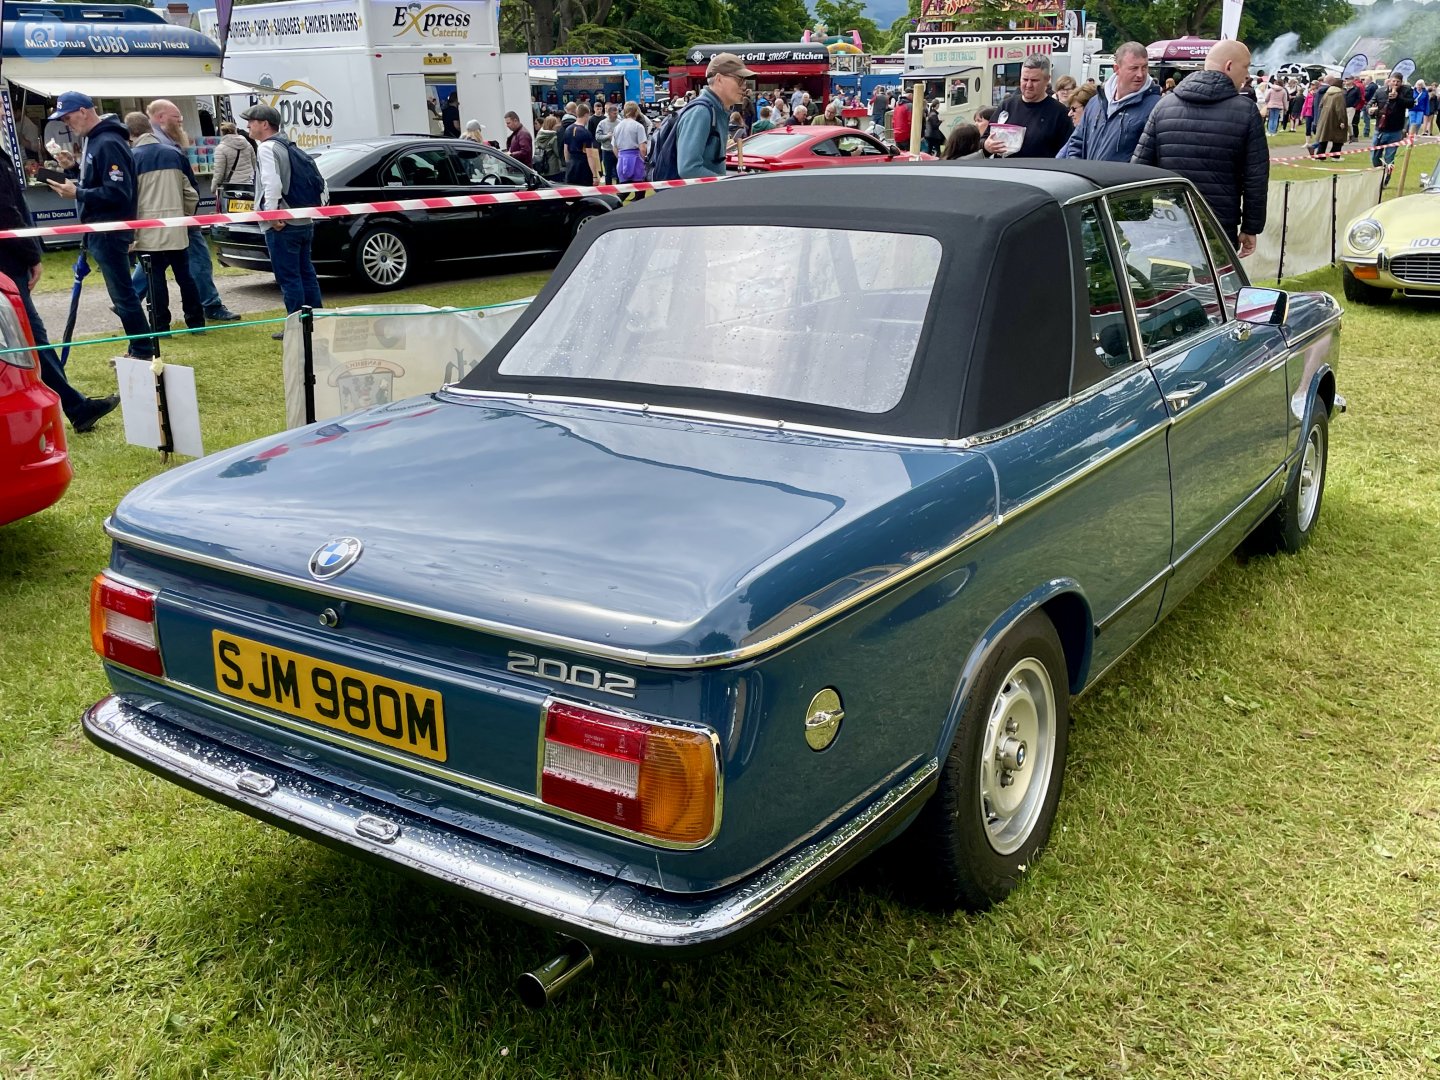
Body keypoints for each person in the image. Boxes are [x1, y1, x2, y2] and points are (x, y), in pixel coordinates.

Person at [0, 145, 118, 432]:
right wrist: (32, 255)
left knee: (27, 338)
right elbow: (7, 213)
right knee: (29, 337)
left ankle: (75, 405)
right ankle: (75, 406)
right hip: (7, 261)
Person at [43, 92, 157, 360]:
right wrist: (72, 170)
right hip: (100, 228)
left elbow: (119, 192)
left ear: (84, 111)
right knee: (122, 294)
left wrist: (78, 194)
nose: (67, 124)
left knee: (123, 296)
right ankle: (140, 349)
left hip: (109, 229)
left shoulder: (106, 142)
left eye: (68, 117)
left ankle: (142, 351)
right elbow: (98, 184)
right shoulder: (95, 140)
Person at [1132, 39, 1267, 258]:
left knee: (1167, 287)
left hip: (1167, 221)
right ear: (1229, 66)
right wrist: (1251, 227)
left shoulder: (1164, 105)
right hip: (1218, 224)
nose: (1248, 75)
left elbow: (1139, 168)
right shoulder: (1247, 111)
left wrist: (1136, 217)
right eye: (1246, 67)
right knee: (1215, 286)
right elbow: (1256, 178)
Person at [145, 99, 241, 323]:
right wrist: (188, 211)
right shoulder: (165, 147)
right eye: (176, 117)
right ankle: (210, 306)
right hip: (178, 213)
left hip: (170, 214)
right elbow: (185, 185)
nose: (181, 121)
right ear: (160, 118)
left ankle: (128, 299)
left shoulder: (162, 143)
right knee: (195, 260)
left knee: (155, 261)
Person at [241, 103, 323, 339]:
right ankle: (316, 320)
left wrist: (271, 213)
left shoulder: (267, 148)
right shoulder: (288, 145)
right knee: (306, 272)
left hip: (283, 223)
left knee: (289, 277)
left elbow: (272, 183)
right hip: (303, 219)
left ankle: (296, 327)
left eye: (251, 121)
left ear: (264, 124)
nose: (247, 125)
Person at [131, 120, 206, 339]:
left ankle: (160, 327)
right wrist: (184, 216)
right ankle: (196, 323)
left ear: (131, 134)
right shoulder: (175, 154)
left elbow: (129, 198)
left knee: (155, 281)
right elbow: (191, 193)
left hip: (147, 232)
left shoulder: (132, 158)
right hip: (176, 229)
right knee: (186, 278)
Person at [1057, 41, 1161, 162]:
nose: (1140, 74)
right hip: (1089, 179)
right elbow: (1076, 143)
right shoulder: (1096, 102)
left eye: (1144, 67)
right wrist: (1080, 173)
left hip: (1126, 180)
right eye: (1134, 68)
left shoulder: (1156, 107)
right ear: (1116, 69)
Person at [676, 52, 753, 178]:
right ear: (719, 79)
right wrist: (727, 182)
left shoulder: (716, 110)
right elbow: (688, 169)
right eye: (739, 79)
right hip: (695, 196)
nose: (744, 86)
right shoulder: (701, 112)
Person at [986, 55, 1073, 158]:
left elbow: (1068, 153)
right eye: (1025, 79)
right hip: (1004, 171)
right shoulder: (1007, 106)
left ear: (1047, 80)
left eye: (1034, 80)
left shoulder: (1060, 113)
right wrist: (987, 146)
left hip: (1040, 172)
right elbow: (984, 139)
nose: (1028, 85)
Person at [1373, 73, 1414, 180]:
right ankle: (1379, 173)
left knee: (1389, 157)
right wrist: (1370, 109)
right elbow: (1371, 102)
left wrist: (1398, 97)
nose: (1395, 84)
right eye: (1393, 81)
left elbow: (1411, 103)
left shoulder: (1406, 91)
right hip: (1380, 128)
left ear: (1401, 82)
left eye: (1398, 82)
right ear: (1389, 81)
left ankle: (1385, 179)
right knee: (1374, 156)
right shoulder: (1380, 91)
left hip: (1395, 130)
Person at [561, 103, 599, 185]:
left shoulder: (568, 129)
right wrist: (595, 176)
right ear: (586, 115)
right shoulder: (586, 133)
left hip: (571, 165)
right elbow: (590, 156)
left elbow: (565, 150)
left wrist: (568, 163)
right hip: (583, 166)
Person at [1311, 76, 1349, 159]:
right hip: (1335, 119)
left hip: (1324, 117)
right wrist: (1342, 121)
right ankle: (1335, 155)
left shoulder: (1327, 93)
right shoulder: (1339, 95)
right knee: (1339, 137)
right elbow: (1340, 109)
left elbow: (1320, 105)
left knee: (1324, 137)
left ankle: (1320, 155)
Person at [212, 121, 256, 188]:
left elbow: (219, 172)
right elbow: (254, 163)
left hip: (232, 185)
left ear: (222, 132)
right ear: (235, 130)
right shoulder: (247, 144)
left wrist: (214, 187)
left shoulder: (220, 148)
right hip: (249, 183)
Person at [612, 102, 648, 183]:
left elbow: (614, 148)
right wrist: (644, 159)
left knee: (624, 190)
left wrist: (620, 157)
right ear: (636, 112)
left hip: (622, 160)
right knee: (640, 191)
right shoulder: (639, 126)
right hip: (636, 160)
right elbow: (642, 148)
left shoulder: (617, 127)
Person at [595, 103, 620, 184]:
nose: (616, 115)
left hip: (618, 151)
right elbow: (597, 137)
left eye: (617, 113)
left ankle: (620, 191)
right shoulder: (602, 123)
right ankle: (608, 190)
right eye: (614, 113)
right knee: (608, 173)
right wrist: (607, 136)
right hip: (606, 151)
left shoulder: (620, 123)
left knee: (618, 172)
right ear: (609, 113)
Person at [534, 115, 564, 180]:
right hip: (553, 169)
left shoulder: (539, 136)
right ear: (552, 125)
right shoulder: (554, 137)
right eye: (556, 123)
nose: (558, 125)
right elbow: (558, 154)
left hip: (541, 168)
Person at [1346, 76, 1364, 141]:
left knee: (1349, 122)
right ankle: (1348, 136)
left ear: (1352, 80)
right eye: (1346, 80)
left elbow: (1359, 97)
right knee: (1344, 123)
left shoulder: (1356, 88)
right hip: (1343, 107)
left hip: (1351, 107)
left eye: (1348, 80)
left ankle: (1351, 135)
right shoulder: (1344, 88)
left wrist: (1354, 105)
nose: (1347, 81)